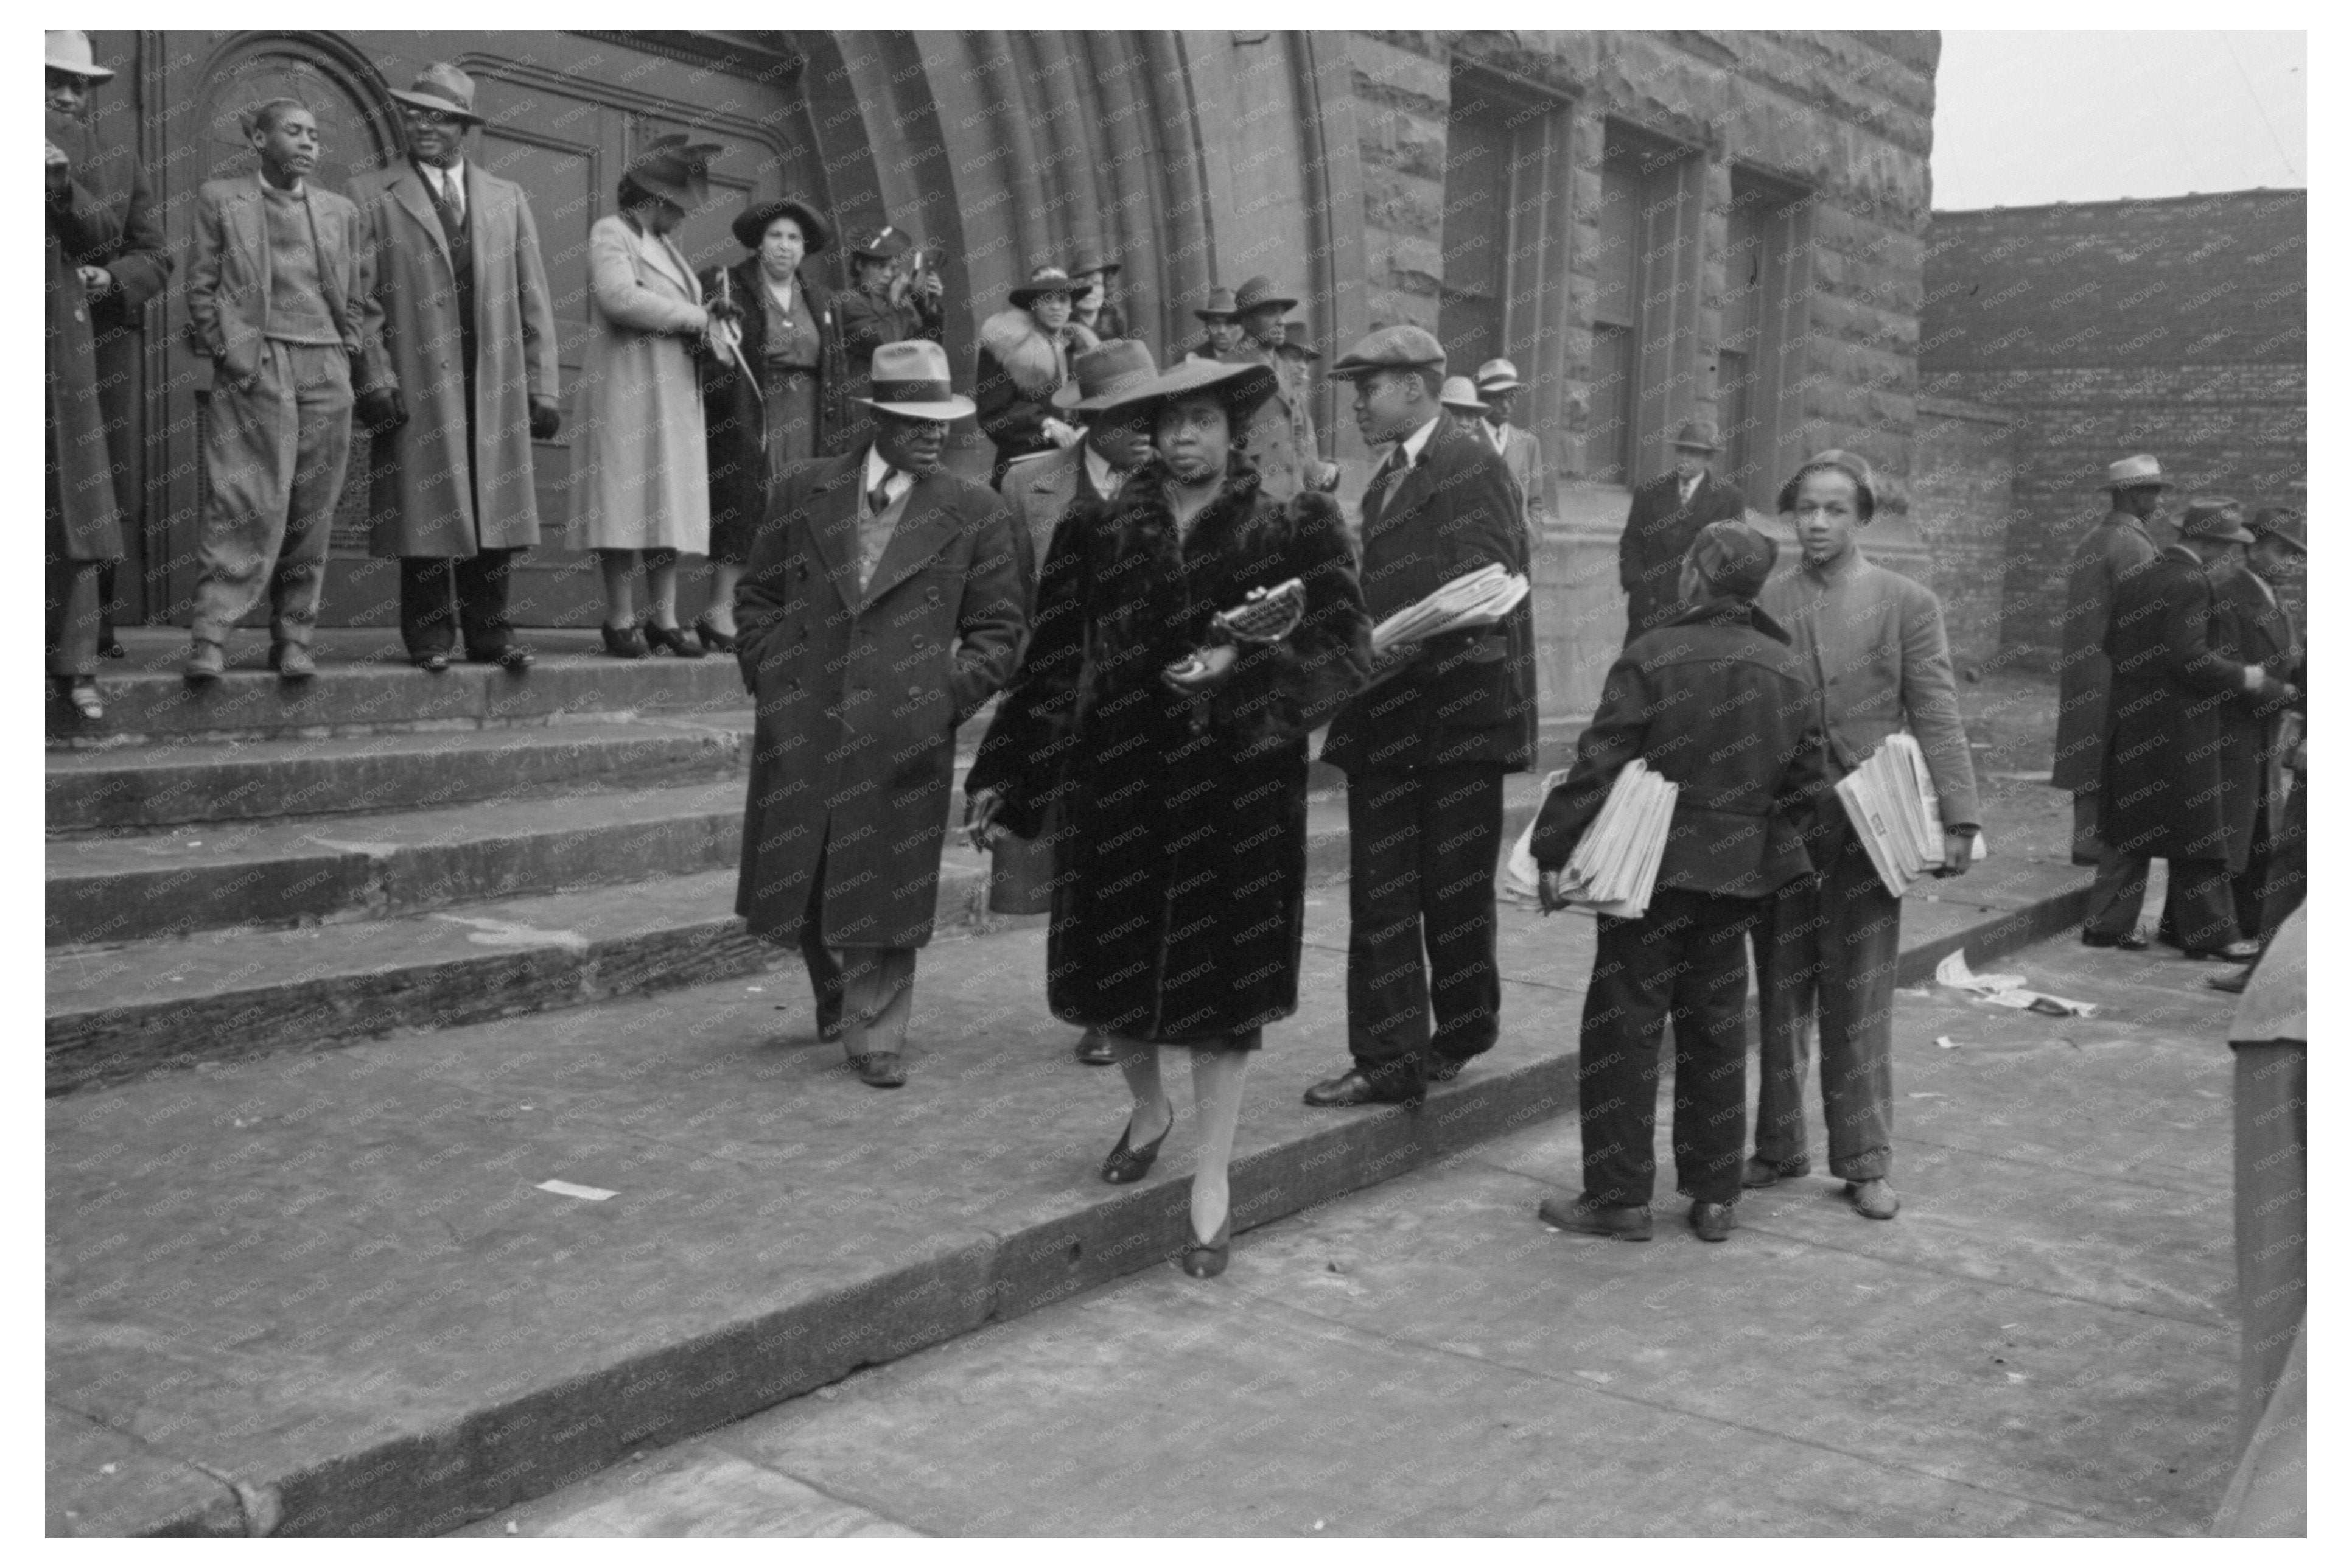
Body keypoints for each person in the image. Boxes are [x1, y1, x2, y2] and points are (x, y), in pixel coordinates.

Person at [964, 354, 1371, 1277]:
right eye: (1168, 424)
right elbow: (1052, 661)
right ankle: (1148, 1110)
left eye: (1201, 422)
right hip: (1121, 781)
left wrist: (1249, 668)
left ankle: (1213, 1181)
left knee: (1220, 998)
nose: (1184, 439)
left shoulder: (1297, 523)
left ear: (1233, 430)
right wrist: (1005, 770)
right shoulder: (1096, 529)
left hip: (1238, 789)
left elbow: (1345, 649)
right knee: (1117, 983)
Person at [734, 341, 1026, 1090]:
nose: (936, 435)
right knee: (805, 868)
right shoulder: (802, 490)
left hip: (904, 724)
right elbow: (758, 594)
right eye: (917, 421)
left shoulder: (976, 511)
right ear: (880, 419)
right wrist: (773, 674)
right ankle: (835, 989)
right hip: (806, 712)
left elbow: (1000, 630)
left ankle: (878, 1029)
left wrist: (943, 696)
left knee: (889, 873)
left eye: (943, 422)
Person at [1531, 522, 1832, 1243]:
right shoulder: (1787, 668)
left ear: (1698, 573)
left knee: (1623, 1029)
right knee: (1717, 1030)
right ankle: (1714, 1193)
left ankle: (1619, 1196)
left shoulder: (1653, 655)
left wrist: (1551, 851)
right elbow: (1809, 786)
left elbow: (1598, 765)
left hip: (1647, 875)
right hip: (1736, 880)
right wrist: (1759, 843)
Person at [1746, 450, 1979, 1222]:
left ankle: (1866, 1159)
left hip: (1868, 828)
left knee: (1860, 997)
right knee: (1781, 991)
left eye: (1835, 509)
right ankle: (1778, 1147)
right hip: (1784, 826)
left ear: (1863, 517)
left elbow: (1937, 708)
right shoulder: (1767, 597)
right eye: (1805, 508)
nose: (1816, 523)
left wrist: (1959, 814)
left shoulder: (1906, 601)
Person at [1307, 326, 1536, 1107]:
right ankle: (1389, 1058)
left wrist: (1384, 647)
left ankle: (1464, 1028)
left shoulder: (1470, 464)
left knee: (1454, 891)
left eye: (1367, 388)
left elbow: (1489, 585)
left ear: (1415, 385)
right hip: (1394, 718)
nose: (1359, 405)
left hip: (1457, 721)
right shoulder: (1389, 477)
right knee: (1383, 892)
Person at [349, 62, 559, 675]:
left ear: (463, 126)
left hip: (493, 377)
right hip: (417, 374)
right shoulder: (371, 193)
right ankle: (430, 637)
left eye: (438, 116)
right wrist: (375, 375)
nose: (423, 124)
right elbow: (357, 297)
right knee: (426, 503)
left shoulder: (506, 197)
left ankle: (491, 634)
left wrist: (543, 386)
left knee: (495, 504)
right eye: (414, 113)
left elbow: (534, 297)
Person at [990, 339, 1163, 1065]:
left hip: (1154, 699)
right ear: (1094, 419)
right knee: (1078, 858)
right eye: (1132, 415)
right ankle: (1097, 1003)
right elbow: (1011, 599)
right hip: (1069, 698)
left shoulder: (1178, 483)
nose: (1151, 429)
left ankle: (1135, 1000)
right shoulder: (1028, 485)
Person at [181, 98, 391, 686]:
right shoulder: (221, 200)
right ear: (260, 140)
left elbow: (357, 290)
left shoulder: (341, 212)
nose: (308, 144)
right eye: (294, 132)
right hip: (257, 362)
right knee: (240, 497)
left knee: (312, 505)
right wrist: (228, 351)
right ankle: (211, 636)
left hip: (324, 365)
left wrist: (346, 346)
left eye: (315, 135)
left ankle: (295, 636)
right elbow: (200, 286)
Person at [2091, 499, 2295, 963]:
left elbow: (2110, 644)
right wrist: (2246, 677)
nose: (2228, 556)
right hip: (2181, 727)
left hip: (2133, 721)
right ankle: (2212, 935)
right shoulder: (2191, 582)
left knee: (2130, 828)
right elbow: (2190, 658)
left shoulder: (2142, 575)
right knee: (2200, 835)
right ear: (2209, 542)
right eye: (2227, 546)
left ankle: (2107, 927)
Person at [567, 135, 730, 660]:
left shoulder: (668, 251)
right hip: (627, 388)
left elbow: (675, 308)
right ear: (651, 199)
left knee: (667, 504)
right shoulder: (611, 232)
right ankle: (619, 618)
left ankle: (665, 617)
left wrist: (715, 324)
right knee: (622, 502)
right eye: (676, 206)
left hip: (673, 392)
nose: (682, 216)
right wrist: (694, 316)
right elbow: (618, 298)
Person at [47, 32, 170, 665]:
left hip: (103, 341)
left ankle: (93, 629)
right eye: (54, 81)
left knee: (102, 481)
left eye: (79, 85)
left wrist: (113, 278)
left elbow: (156, 253)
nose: (68, 96)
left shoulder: (120, 158)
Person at [698, 195, 850, 653]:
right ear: (758, 244)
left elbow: (835, 368)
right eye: (775, 236)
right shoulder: (729, 285)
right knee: (743, 506)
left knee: (798, 510)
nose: (784, 247)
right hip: (750, 410)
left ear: (805, 249)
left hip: (808, 416)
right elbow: (709, 352)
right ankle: (719, 612)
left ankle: (778, 613)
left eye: (794, 238)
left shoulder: (821, 299)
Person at [2053, 455, 2170, 870]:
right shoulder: (2132, 544)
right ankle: (2095, 843)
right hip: (2115, 669)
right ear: (2132, 494)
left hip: (2088, 667)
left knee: (2089, 750)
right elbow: (2144, 615)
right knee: (2110, 754)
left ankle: (2086, 839)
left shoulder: (2096, 539)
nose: (2158, 500)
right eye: (2152, 491)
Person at [2209, 508, 2307, 996]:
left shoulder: (2278, 602)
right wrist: (2283, 695)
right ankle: (2217, 931)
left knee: (2267, 839)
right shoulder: (2229, 595)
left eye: (2296, 555)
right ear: (2253, 546)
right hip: (2237, 730)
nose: (2290, 562)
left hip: (2270, 735)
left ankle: (2251, 936)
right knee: (2232, 834)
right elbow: (2222, 667)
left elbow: (2295, 666)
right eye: (2282, 550)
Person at [1617, 418, 1748, 644]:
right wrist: (1637, 584)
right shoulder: (1649, 493)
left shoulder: (1729, 499)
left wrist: (1714, 602)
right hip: (1648, 610)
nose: (1684, 459)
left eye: (1693, 453)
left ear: (1708, 458)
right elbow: (1631, 543)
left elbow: (1735, 556)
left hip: (1697, 614)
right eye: (1681, 451)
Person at [974, 265, 1098, 487]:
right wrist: (1045, 424)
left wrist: (1087, 427)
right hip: (1028, 470)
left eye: (1063, 299)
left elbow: (1097, 401)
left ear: (1072, 305)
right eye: (1046, 299)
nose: (1056, 307)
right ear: (1032, 304)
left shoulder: (1081, 349)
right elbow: (993, 413)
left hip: (1078, 466)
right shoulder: (1006, 347)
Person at [1220, 276, 1337, 501]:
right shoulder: (1228, 368)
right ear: (1247, 322)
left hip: (1291, 497)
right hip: (1251, 497)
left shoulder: (1284, 368)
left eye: (1282, 313)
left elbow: (1298, 438)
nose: (1281, 321)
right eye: (1270, 313)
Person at [835, 223, 943, 447]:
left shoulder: (897, 306)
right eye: (879, 266)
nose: (888, 275)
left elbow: (926, 354)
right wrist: (899, 306)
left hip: (896, 408)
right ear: (859, 265)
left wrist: (928, 306)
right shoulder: (848, 302)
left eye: (893, 268)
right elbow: (885, 345)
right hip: (861, 409)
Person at [1474, 358, 1550, 553]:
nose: (1507, 406)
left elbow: (1536, 500)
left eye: (1512, 397)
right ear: (1483, 398)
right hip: (1476, 549)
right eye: (1499, 398)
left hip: (1518, 550)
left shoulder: (1529, 443)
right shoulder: (1468, 439)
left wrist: (1533, 535)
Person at [1065, 240, 1127, 341]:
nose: (1089, 290)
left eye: (1096, 283)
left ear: (1105, 289)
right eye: (1081, 283)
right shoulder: (1063, 327)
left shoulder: (1116, 324)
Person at [1185, 287, 1242, 362]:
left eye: (1229, 324)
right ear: (1206, 326)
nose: (1222, 331)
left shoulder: (1252, 357)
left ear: (1241, 327)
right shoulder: (1195, 359)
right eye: (1216, 324)